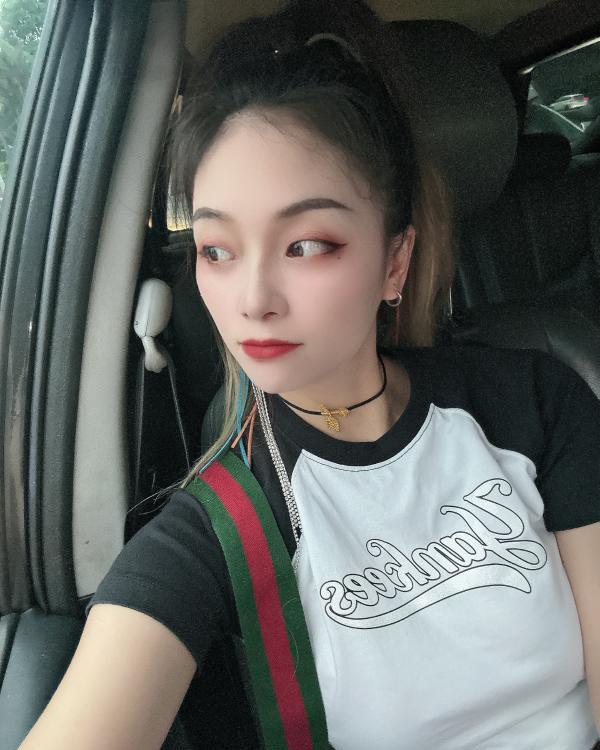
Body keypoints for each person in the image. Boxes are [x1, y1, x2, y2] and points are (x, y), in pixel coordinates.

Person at [18, 0, 600, 748]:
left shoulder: (534, 403)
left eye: (307, 245)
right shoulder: (215, 532)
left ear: (394, 260)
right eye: (217, 250)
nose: (252, 300)